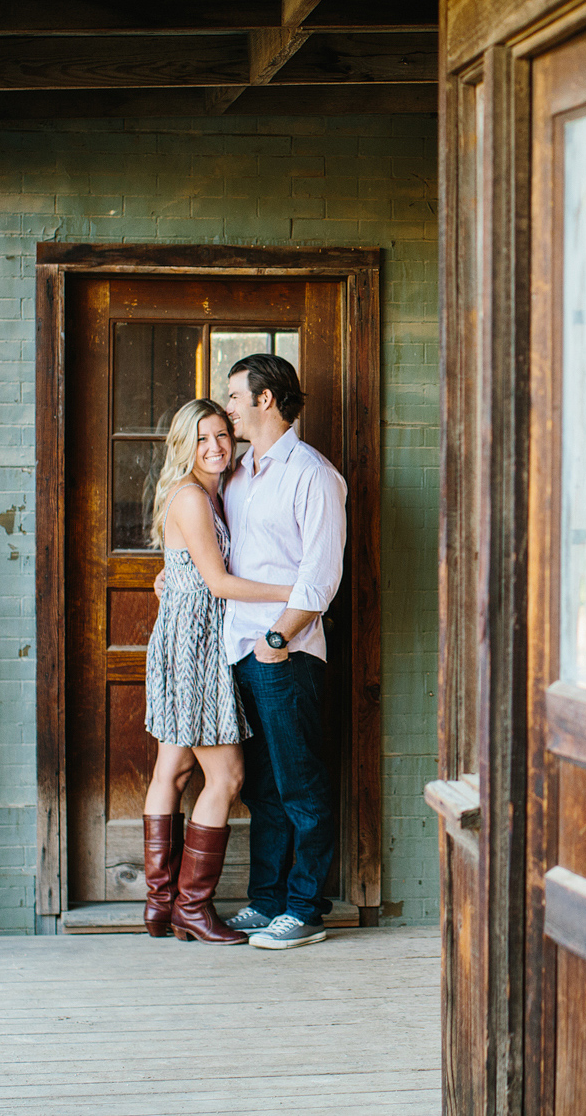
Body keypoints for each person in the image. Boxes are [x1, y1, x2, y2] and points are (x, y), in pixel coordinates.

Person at [139, 399, 296, 944]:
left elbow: (181, 570)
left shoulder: (211, 492)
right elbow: (220, 582)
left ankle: (163, 907)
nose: (216, 446)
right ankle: (191, 908)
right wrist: (297, 591)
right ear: (185, 443)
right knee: (225, 776)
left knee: (174, 773)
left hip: (189, 636)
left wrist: (166, 580)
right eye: (203, 438)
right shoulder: (190, 495)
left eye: (223, 435)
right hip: (194, 646)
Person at [218, 353, 348, 950]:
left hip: (284, 653)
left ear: (265, 399)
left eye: (234, 397)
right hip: (237, 651)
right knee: (264, 788)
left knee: (301, 785)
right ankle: (267, 901)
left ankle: (305, 909)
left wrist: (276, 641)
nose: (228, 409)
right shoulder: (238, 474)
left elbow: (320, 579)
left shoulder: (313, 475)